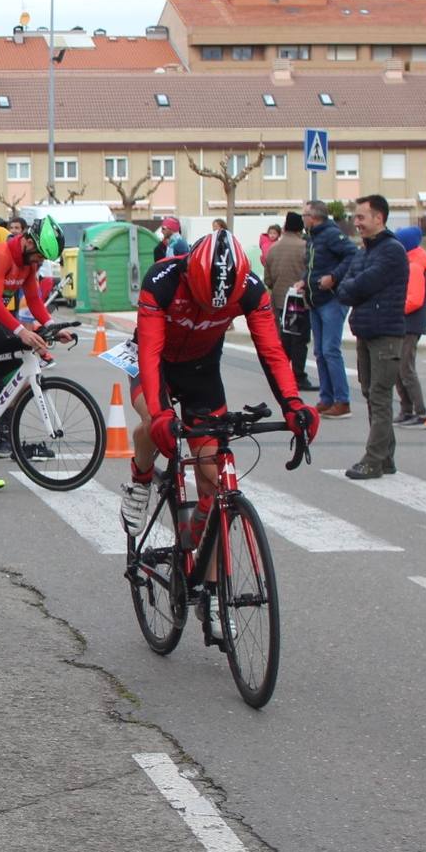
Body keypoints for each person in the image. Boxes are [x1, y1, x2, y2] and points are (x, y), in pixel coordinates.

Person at [120, 229, 318, 619]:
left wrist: (294, 405)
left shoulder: (250, 289)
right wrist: (161, 416)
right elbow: (151, 351)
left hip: (200, 371)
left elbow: (272, 351)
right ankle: (141, 481)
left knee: (214, 478)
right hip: (153, 364)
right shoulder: (162, 280)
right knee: (150, 423)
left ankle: (205, 578)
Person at [0, 217, 76, 491]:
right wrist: (22, 331)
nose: (40, 263)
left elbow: (34, 300)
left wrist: (52, 328)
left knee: (26, 362)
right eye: (40, 256)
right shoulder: (0, 255)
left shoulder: (28, 264)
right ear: (29, 241)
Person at [334, 195, 408, 480]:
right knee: (370, 393)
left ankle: (373, 459)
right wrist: (353, 286)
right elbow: (346, 288)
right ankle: (386, 457)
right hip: (365, 331)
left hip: (386, 333)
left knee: (379, 396)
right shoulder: (364, 252)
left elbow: (361, 284)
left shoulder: (391, 251)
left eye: (361, 217)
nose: (357, 223)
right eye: (356, 217)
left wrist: (353, 286)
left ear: (379, 218)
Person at [303, 199, 358, 419]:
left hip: (332, 299)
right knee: (319, 351)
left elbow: (353, 255)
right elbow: (313, 266)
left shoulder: (332, 235)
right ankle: (326, 398)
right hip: (315, 299)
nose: (303, 218)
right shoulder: (313, 237)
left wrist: (334, 277)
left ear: (314, 217)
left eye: (305, 214)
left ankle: (342, 401)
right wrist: (302, 281)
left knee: (330, 350)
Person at [260, 212, 312, 390]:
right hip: (299, 300)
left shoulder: (273, 248)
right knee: (299, 340)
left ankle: (280, 375)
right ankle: (298, 376)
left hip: (279, 300)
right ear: (300, 228)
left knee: (283, 340)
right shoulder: (305, 247)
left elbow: (267, 279)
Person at [393, 227, 426, 430]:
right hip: (406, 323)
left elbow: (414, 300)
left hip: (410, 324)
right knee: (400, 369)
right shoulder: (409, 263)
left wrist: (394, 308)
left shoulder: (414, 266)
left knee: (405, 369)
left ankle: (421, 413)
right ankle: (406, 410)